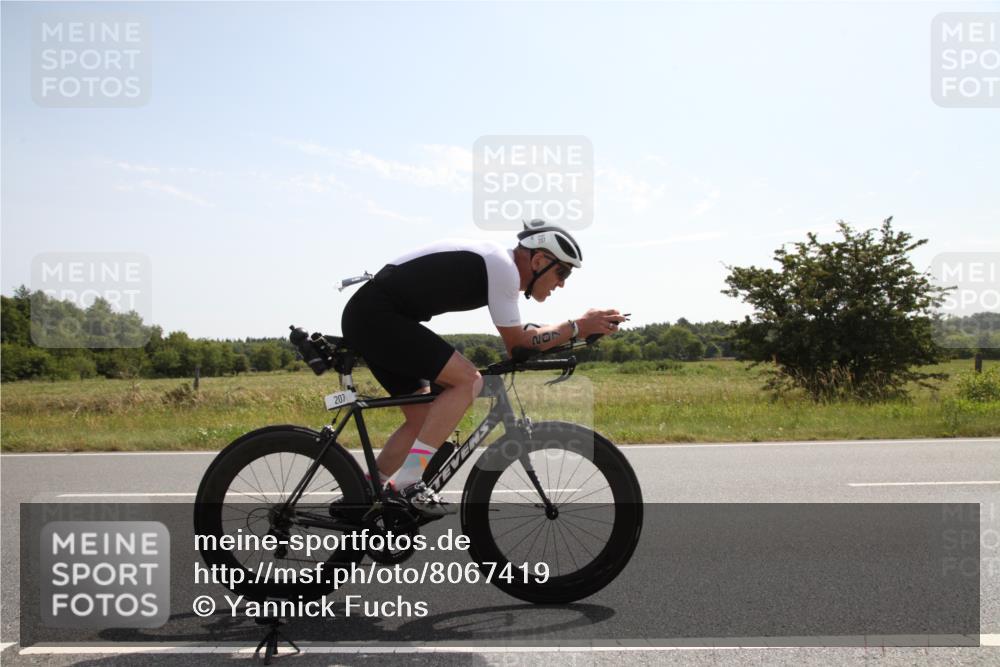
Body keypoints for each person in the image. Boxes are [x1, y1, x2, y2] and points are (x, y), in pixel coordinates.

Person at [340, 219, 626, 516]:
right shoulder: (503, 268)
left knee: (421, 419)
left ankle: (364, 496)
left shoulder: (498, 265)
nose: (563, 282)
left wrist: (578, 331)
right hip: (377, 316)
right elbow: (518, 344)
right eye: (562, 271)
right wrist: (578, 325)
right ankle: (409, 483)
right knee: (467, 380)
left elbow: (526, 338)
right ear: (539, 260)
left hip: (374, 316)